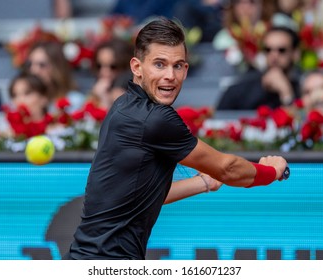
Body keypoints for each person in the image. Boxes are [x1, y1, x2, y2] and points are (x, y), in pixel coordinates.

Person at [65, 17, 288, 260]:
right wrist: (270, 172)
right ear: (137, 67)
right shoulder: (155, 118)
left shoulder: (123, 105)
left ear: (186, 69)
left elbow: (140, 196)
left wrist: (202, 183)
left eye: (178, 65)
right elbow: (228, 168)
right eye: (159, 65)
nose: (170, 75)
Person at [216, 26, 301, 110]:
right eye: (268, 50)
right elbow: (217, 121)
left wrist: (286, 93)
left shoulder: (303, 90)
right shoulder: (238, 91)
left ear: (295, 54)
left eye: (281, 50)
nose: (274, 56)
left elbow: (299, 120)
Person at [23, 41, 85, 113]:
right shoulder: (23, 99)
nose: (34, 70)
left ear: (57, 68)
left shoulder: (74, 100)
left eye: (42, 65)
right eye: (30, 64)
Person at [87, 38, 134, 110]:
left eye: (113, 66)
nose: (103, 71)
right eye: (99, 65)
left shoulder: (129, 98)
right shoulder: (95, 91)